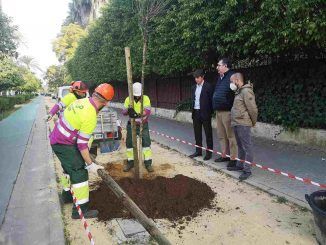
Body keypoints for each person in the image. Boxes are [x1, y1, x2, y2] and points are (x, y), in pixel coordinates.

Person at [50, 83, 114, 219]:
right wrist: (90, 164)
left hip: (57, 139)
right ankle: (80, 211)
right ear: (106, 103)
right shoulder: (90, 114)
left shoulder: (81, 101)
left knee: (68, 169)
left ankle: (66, 197)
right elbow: (82, 144)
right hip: (64, 144)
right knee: (80, 172)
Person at [228, 73, 258, 180]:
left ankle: (247, 170)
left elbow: (253, 109)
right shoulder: (239, 92)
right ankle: (240, 165)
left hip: (243, 124)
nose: (231, 84)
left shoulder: (246, 91)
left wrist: (253, 122)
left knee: (247, 147)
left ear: (237, 80)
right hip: (237, 123)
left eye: (232, 81)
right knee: (240, 146)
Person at [122, 82, 153, 173]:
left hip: (143, 125)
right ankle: (131, 162)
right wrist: (128, 110)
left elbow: (147, 111)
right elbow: (123, 112)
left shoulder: (145, 98)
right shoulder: (128, 99)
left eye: (139, 96)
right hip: (131, 125)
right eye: (136, 96)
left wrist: (138, 115)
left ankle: (148, 163)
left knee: (146, 143)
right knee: (130, 144)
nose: (137, 97)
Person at [212, 58, 238, 167]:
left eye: (219, 65)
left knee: (231, 136)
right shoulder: (220, 78)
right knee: (221, 135)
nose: (217, 67)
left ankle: (233, 158)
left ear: (225, 66)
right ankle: (224, 155)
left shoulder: (232, 76)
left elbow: (237, 92)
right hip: (219, 111)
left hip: (227, 112)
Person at [188, 69, 214, 160]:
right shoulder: (193, 87)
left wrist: (210, 112)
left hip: (205, 113)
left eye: (198, 77)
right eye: (195, 78)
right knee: (197, 133)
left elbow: (211, 100)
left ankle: (209, 153)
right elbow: (193, 99)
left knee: (208, 133)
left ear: (202, 77)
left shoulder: (208, 86)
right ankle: (198, 151)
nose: (196, 79)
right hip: (196, 112)